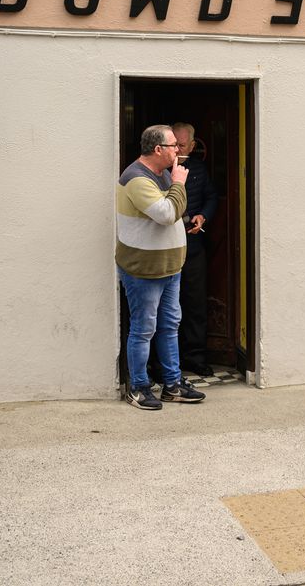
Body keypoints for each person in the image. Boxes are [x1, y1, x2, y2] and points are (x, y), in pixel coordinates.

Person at [116, 124, 206, 410]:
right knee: (143, 329)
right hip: (144, 270)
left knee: (169, 326)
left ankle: (172, 384)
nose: (178, 151)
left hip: (169, 267)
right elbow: (167, 214)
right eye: (173, 146)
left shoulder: (162, 173)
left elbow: (177, 210)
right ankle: (139, 388)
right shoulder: (136, 179)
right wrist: (178, 183)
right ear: (158, 150)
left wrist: (179, 197)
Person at [171, 122, 218, 376]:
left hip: (194, 243)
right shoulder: (159, 170)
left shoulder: (198, 167)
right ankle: (163, 362)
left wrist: (203, 217)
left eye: (182, 145)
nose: (177, 149)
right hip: (165, 246)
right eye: (174, 144)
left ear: (192, 145)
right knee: (167, 304)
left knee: (195, 302)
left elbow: (211, 196)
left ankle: (195, 357)